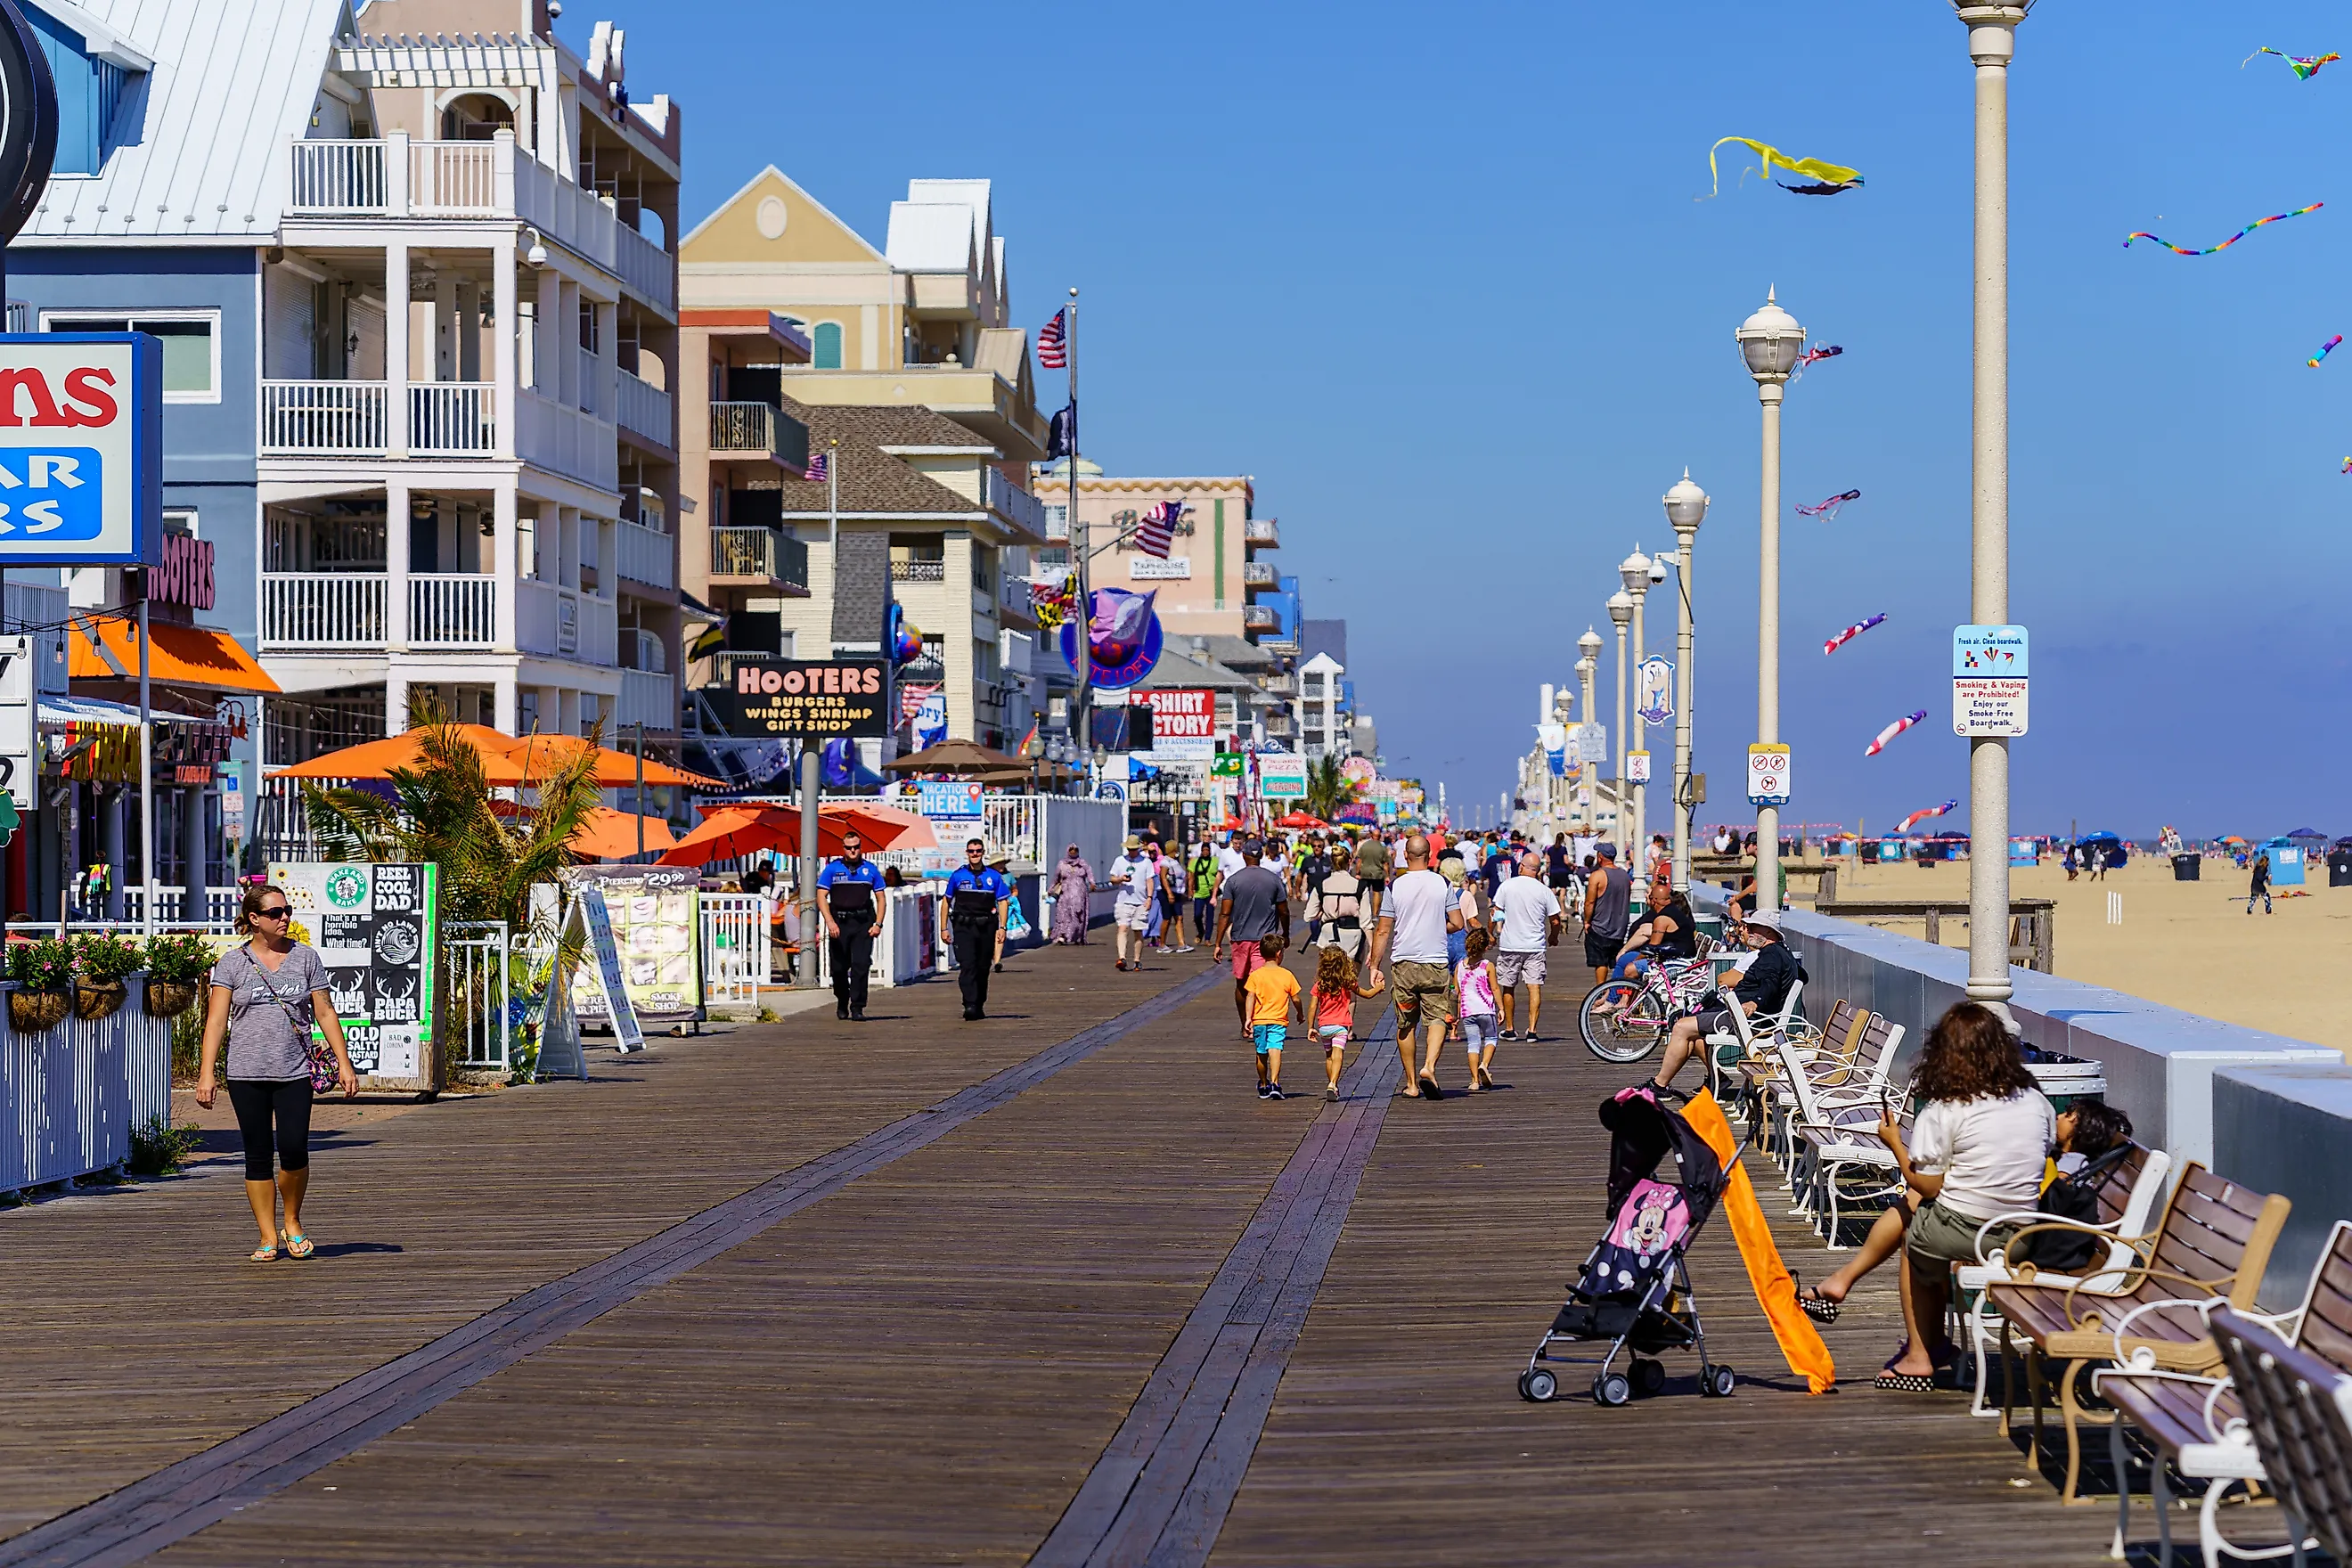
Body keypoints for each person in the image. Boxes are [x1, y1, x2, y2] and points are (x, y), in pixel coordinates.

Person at [196, 884, 359, 1262]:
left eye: (286, 911)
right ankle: (268, 1236)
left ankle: (292, 1220)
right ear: (254, 919)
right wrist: (208, 1073)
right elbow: (216, 1021)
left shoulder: (306, 958)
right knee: (256, 1155)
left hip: (294, 1070)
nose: (284, 918)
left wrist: (344, 1064)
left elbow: (325, 1012)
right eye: (275, 913)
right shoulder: (232, 963)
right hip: (246, 1073)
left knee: (293, 1149)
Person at [1648, 905, 1803, 1090]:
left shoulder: (1771, 955)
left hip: (1747, 1020)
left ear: (1769, 931)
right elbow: (1802, 976)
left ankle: (1659, 1085)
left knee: (1681, 1026)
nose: (1749, 932)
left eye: (1755, 928)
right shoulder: (1780, 953)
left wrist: (1756, 1002)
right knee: (1697, 1036)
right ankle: (1718, 1079)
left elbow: (1769, 983)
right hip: (1747, 1017)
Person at [1363, 833, 1462, 1101]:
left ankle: (1411, 1084)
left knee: (1406, 1023)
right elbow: (1458, 922)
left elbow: (1383, 931)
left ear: (1405, 856)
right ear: (1430, 856)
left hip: (1404, 963)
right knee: (1438, 1018)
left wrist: (1374, 966)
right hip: (1435, 962)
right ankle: (1428, 1067)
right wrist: (1435, 926)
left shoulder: (1395, 887)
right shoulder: (1442, 883)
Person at [1213, 839, 1292, 1038]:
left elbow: (1225, 914)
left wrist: (1218, 943)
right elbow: (1284, 910)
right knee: (1263, 983)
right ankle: (1261, 1023)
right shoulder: (1273, 879)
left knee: (1242, 983)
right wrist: (1286, 934)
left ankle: (1245, 1025)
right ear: (1261, 855)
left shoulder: (1233, 880)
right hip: (1266, 940)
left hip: (1240, 939)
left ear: (1244, 855)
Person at [815, 829, 886, 1021]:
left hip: (863, 922)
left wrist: (878, 923)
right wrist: (830, 922)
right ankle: (842, 1000)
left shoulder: (870, 869)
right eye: (849, 848)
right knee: (838, 968)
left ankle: (858, 1006)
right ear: (843, 848)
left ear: (861, 848)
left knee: (861, 965)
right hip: (839, 922)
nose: (853, 851)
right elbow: (821, 896)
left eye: (856, 847)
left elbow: (881, 898)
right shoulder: (832, 869)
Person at [939, 837, 1012, 1020]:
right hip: (964, 926)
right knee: (967, 964)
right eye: (971, 851)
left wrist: (1002, 927)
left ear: (983, 853)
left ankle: (979, 1003)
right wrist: (943, 928)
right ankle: (969, 1004)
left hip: (987, 926)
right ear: (967, 853)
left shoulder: (994, 877)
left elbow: (1003, 901)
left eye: (978, 851)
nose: (975, 854)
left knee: (982, 966)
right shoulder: (958, 876)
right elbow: (946, 901)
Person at [1490, 851, 1556, 1042]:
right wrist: (1553, 936)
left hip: (1510, 944)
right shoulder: (1544, 890)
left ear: (1521, 867)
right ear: (1537, 870)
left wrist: (1490, 932)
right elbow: (1555, 919)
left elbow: (1497, 912)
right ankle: (1532, 1030)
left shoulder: (1507, 886)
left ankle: (1510, 1029)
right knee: (1534, 987)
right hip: (1535, 946)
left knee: (1508, 986)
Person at [1245, 933, 1303, 1099]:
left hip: (1259, 1020)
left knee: (1261, 1053)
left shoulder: (1256, 975)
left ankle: (1263, 1084)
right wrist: (1300, 1013)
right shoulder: (1286, 975)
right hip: (1278, 1020)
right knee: (1275, 1049)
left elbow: (1250, 996)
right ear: (1279, 953)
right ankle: (1275, 1082)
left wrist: (1248, 1018)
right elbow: (1296, 998)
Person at [1309, 944, 1370, 1100]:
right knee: (1338, 1056)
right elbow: (1367, 994)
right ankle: (1333, 1083)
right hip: (1340, 1027)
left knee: (1329, 1057)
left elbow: (1312, 1006)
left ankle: (1332, 1085)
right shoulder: (1347, 983)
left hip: (1324, 1027)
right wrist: (1379, 988)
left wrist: (1310, 1027)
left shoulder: (1319, 985)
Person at [1455, 924, 1501, 1090]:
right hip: (1485, 1009)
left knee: (1473, 1044)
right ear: (1484, 947)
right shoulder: (1487, 965)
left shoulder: (1459, 966)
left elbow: (1457, 991)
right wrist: (1501, 1008)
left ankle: (1474, 1081)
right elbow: (1495, 988)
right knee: (1491, 1038)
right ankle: (1485, 1065)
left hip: (1468, 1011)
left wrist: (1455, 1013)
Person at [1582, 842, 1632, 988]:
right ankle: (1617, 990)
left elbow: (1589, 902)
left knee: (1601, 961)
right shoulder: (1624, 875)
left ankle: (1601, 990)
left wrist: (1587, 921)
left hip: (1600, 925)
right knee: (1617, 961)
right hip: (1619, 926)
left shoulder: (1597, 876)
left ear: (1600, 856)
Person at [1108, 834, 1152, 972]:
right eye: (1130, 849)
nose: (1132, 852)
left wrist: (1150, 897)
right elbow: (1112, 879)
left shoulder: (1146, 862)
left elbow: (1149, 880)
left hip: (1141, 901)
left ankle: (1137, 960)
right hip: (1124, 901)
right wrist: (1121, 879)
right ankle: (1122, 958)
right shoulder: (1120, 861)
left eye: (1134, 849)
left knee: (1138, 931)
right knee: (1123, 928)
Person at [1311, 855, 1367, 960]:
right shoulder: (1359, 886)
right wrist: (1372, 946)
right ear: (1349, 862)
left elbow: (1309, 915)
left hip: (1328, 932)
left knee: (1328, 972)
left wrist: (1324, 911)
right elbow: (1366, 920)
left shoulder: (1322, 885)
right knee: (1351, 972)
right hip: (1353, 933)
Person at [1049, 844, 1094, 945]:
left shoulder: (1082, 863)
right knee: (1064, 915)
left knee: (1078, 914)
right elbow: (1056, 877)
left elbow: (1090, 874)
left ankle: (1077, 936)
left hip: (1079, 893)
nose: (1073, 852)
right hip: (1066, 893)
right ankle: (1062, 936)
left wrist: (1092, 883)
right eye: (1071, 850)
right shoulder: (1062, 864)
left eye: (1075, 850)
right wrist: (1051, 889)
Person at [1353, 829, 1391, 927]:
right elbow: (1385, 864)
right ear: (1379, 836)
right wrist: (1387, 876)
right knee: (1377, 893)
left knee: (1364, 893)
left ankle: (1363, 911)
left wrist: (1357, 872)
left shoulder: (1365, 846)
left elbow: (1359, 861)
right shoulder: (1382, 848)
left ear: (1371, 835)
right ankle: (1375, 914)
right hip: (1377, 873)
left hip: (1365, 872)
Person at [1188, 841, 1221, 947]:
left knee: (1210, 916)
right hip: (1199, 892)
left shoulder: (1215, 861)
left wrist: (1216, 886)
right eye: (1204, 850)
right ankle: (1201, 931)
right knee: (1197, 915)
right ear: (1201, 851)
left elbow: (1221, 874)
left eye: (1207, 850)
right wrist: (1190, 889)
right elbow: (1191, 876)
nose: (1206, 852)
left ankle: (1207, 938)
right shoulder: (1195, 862)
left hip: (1211, 892)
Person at [2248, 850, 2272, 915]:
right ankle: (2268, 910)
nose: (2268, 864)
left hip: (2254, 885)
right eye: (2268, 862)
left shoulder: (2258, 867)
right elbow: (2260, 878)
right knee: (2266, 897)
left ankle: (2249, 909)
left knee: (2254, 897)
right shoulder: (2261, 868)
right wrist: (2267, 877)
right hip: (2259, 886)